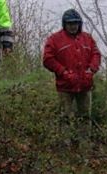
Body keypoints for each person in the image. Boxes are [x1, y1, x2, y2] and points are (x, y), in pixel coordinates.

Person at [42, 9, 100, 140]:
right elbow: (47, 59)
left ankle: (84, 148)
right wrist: (63, 72)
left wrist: (91, 70)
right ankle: (65, 149)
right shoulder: (54, 39)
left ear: (80, 24)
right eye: (70, 23)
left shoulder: (87, 38)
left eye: (75, 23)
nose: (73, 26)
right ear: (64, 24)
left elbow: (96, 55)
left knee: (85, 118)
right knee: (65, 118)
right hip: (65, 86)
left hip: (85, 85)